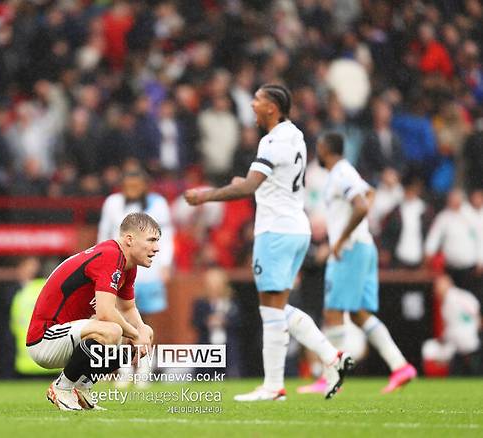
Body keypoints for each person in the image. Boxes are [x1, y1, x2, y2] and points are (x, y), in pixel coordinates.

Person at [184, 84, 353, 401]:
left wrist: (205, 196)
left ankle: (303, 371)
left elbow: (250, 187)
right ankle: (311, 367)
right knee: (277, 308)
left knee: (272, 310)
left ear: (272, 108)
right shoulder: (297, 136)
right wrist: (249, 185)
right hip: (296, 227)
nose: (252, 103)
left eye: (258, 99)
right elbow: (268, 183)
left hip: (275, 231)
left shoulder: (272, 141)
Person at [297, 132, 417, 395]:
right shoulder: (345, 173)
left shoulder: (340, 172)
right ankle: (400, 366)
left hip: (350, 250)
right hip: (363, 247)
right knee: (359, 314)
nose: (317, 153)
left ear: (327, 150)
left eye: (319, 148)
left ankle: (332, 377)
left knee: (333, 311)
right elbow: (369, 194)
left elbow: (361, 205)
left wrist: (341, 239)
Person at [27, 212, 158, 411]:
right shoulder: (111, 255)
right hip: (44, 339)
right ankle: (61, 387)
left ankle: (81, 387)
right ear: (129, 239)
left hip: (68, 335)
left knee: (141, 332)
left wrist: (141, 331)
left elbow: (128, 308)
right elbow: (106, 313)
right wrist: (135, 333)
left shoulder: (128, 265)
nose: (156, 248)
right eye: (151, 240)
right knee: (112, 331)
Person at [97, 167, 173, 386]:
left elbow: (166, 236)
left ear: (145, 186)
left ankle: (145, 369)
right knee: (118, 319)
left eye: (136, 186)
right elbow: (104, 233)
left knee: (145, 320)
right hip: (119, 269)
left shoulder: (158, 204)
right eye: (128, 186)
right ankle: (123, 370)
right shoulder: (112, 203)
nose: (132, 190)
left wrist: (166, 264)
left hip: (150, 271)